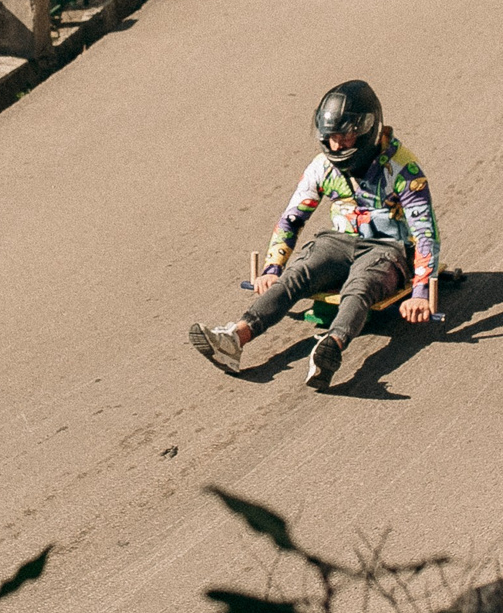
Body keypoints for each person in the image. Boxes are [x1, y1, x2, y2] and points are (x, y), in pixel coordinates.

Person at [189, 80, 441, 391]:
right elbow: (292, 218)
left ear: (368, 130)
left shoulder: (404, 169)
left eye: (345, 136)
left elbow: (426, 233)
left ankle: (330, 348)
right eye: (331, 137)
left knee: (359, 287)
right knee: (298, 274)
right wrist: (272, 268)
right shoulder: (322, 167)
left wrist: (419, 293)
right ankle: (234, 338)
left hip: (388, 249)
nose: (336, 146)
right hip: (340, 242)